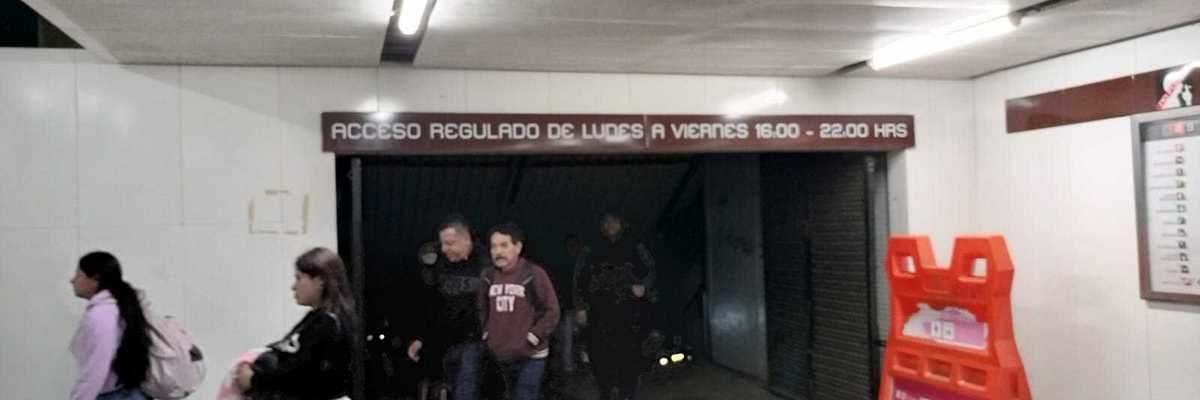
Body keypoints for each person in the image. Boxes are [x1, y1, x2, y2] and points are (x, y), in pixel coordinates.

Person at [235, 248, 356, 400]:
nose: (293, 286)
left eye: (299, 278)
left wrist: (255, 379)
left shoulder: (328, 323)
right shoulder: (316, 319)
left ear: (320, 281)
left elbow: (300, 372)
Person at [407, 215, 491, 400]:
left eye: (450, 243)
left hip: (477, 340)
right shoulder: (440, 266)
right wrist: (420, 338)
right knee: (453, 388)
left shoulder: (487, 262)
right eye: (443, 244)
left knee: (465, 390)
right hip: (448, 343)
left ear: (465, 239)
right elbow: (433, 305)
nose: (444, 249)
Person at [575, 214, 656, 400]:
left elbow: (651, 268)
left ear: (621, 223)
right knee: (600, 352)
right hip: (599, 309)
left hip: (629, 308)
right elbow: (579, 278)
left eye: (614, 221)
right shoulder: (591, 248)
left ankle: (627, 393)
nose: (610, 225)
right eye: (606, 222)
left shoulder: (635, 245)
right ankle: (606, 391)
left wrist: (644, 285)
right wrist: (580, 306)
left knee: (629, 352)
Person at [479, 223, 561, 400]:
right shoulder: (488, 276)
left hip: (531, 354)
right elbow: (483, 308)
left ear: (518, 247)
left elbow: (552, 310)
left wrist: (534, 335)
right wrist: (487, 334)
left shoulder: (534, 274)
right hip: (501, 354)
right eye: (494, 246)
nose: (498, 251)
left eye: (504, 245)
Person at [70, 251, 152, 400]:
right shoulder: (119, 307)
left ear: (96, 279)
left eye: (79, 274)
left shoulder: (101, 314)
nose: (72, 280)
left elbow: (97, 367)